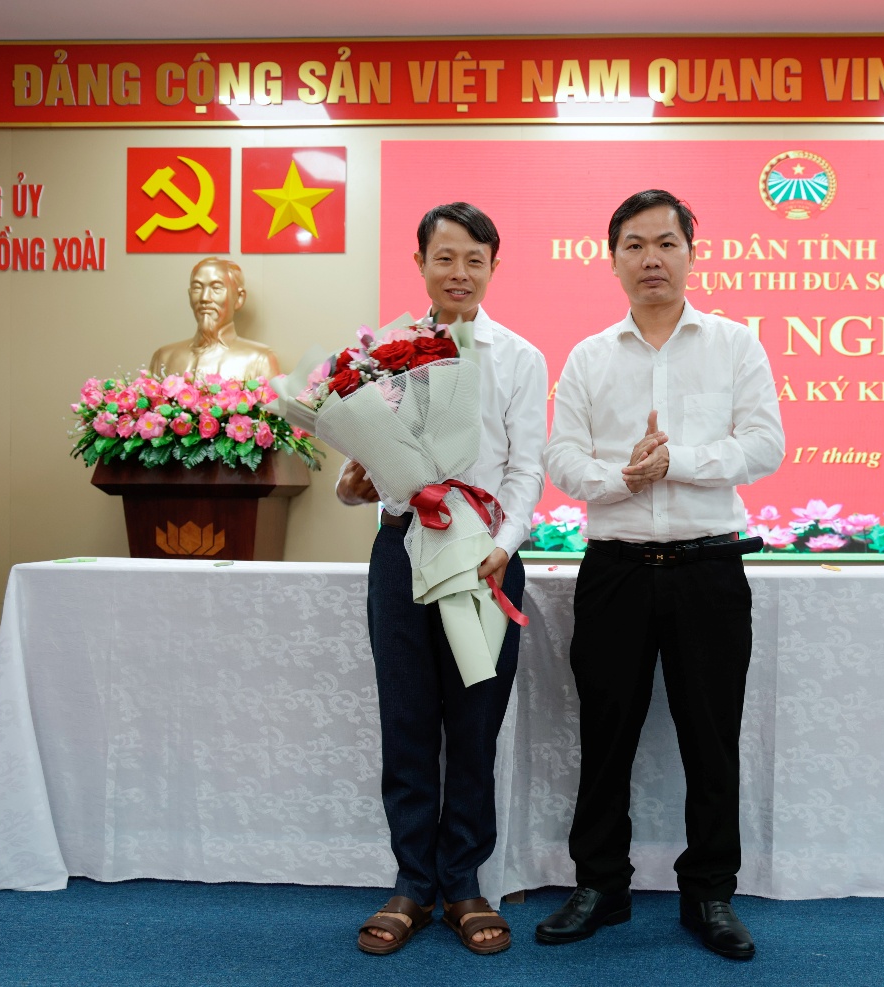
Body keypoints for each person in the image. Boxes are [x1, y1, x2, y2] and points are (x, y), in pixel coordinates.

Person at [536, 190, 784, 960]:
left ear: (691, 253)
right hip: (615, 570)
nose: (652, 259)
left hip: (709, 567)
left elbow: (765, 445)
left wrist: (679, 462)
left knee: (712, 738)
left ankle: (709, 891)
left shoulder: (735, 344)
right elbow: (560, 457)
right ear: (612, 259)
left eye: (667, 243)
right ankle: (599, 884)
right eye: (635, 245)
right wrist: (624, 478)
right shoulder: (589, 356)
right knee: (605, 734)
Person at [340, 203, 548, 956]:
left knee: (472, 725)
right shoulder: (383, 354)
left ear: (494, 267)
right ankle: (411, 882)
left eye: (474, 260)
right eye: (445, 258)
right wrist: (352, 485)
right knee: (406, 721)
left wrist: (505, 543)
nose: (459, 273)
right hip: (402, 548)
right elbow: (363, 459)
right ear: (421, 263)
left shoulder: (519, 357)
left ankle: (463, 882)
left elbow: (526, 467)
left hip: (484, 557)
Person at [148, 257, 281, 381]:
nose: (204, 298)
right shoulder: (164, 357)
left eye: (216, 288)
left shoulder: (260, 360)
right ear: (189, 295)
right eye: (197, 288)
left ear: (239, 298)